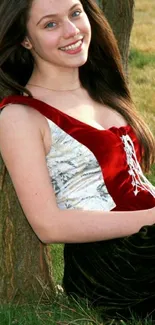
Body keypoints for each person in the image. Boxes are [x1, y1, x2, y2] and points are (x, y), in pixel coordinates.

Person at [0, 0, 155, 319]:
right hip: (111, 260)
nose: (72, 31)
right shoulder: (20, 115)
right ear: (26, 40)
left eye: (75, 13)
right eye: (50, 24)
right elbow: (47, 226)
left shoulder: (103, 89)